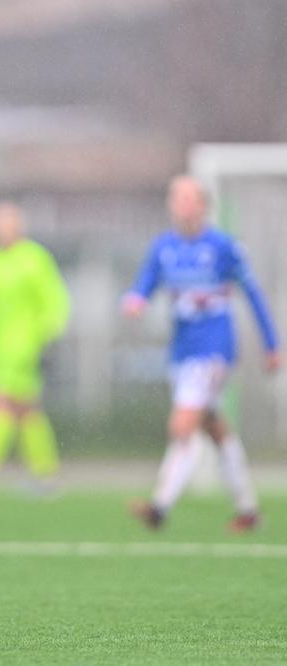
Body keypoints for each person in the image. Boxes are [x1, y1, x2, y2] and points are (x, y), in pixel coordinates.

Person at [124, 175, 281, 532]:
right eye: (175, 198)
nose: (179, 205)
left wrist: (273, 345)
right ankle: (249, 510)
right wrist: (135, 300)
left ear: (203, 205)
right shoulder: (163, 247)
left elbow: (254, 295)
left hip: (214, 351)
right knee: (215, 428)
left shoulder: (224, 247)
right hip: (182, 353)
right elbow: (145, 283)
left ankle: (159, 507)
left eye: (186, 198)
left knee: (182, 425)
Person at [0, 203, 70, 492]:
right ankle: (46, 476)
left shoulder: (34, 259)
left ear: (18, 227)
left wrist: (48, 335)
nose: (0, 230)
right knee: (26, 411)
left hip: (26, 347)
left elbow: (54, 300)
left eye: (6, 224)